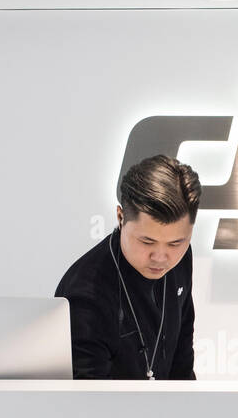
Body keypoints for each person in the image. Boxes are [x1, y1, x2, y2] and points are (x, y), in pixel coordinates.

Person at [55, 155, 200, 379]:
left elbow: (182, 364)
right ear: (120, 217)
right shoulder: (85, 293)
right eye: (147, 242)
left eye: (175, 243)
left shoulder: (181, 261)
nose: (161, 257)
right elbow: (86, 401)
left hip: (170, 411)